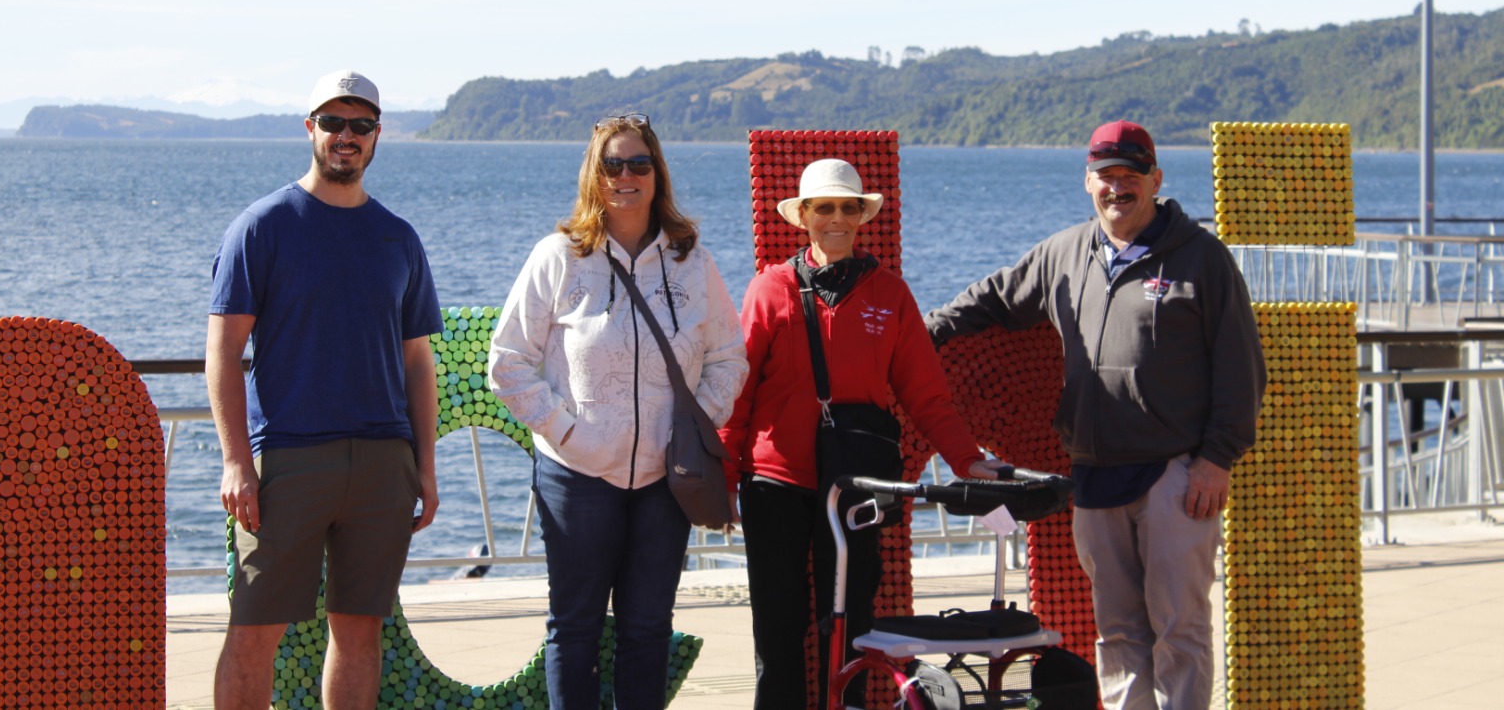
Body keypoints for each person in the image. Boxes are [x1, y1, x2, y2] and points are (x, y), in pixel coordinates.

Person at [924, 120, 1267, 710]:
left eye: (1130, 176)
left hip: (1175, 475)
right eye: (1106, 177)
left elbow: (1242, 368)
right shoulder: (1064, 252)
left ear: (1155, 180)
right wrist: (916, 336)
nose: (1117, 188)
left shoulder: (1203, 258)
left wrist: (1216, 460)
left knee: (1180, 629)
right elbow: (994, 298)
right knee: (1116, 631)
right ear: (1088, 182)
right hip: (1093, 476)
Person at [721, 158, 1005, 710]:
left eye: (847, 207)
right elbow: (739, 391)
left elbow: (928, 396)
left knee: (850, 624)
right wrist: (726, 472)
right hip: (776, 482)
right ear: (802, 216)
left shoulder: (890, 294)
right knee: (778, 629)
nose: (836, 219)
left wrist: (969, 461)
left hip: (856, 486)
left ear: (861, 217)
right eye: (823, 207)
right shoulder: (769, 289)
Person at [487, 113, 748, 710]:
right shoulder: (559, 257)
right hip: (576, 478)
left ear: (657, 174)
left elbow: (729, 359)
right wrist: (569, 432)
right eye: (612, 164)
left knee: (647, 631)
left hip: (666, 481)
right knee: (574, 629)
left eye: (639, 164)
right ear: (594, 175)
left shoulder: (692, 261)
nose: (625, 176)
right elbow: (507, 363)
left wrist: (689, 427)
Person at [206, 69, 443, 710]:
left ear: (376, 136)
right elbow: (223, 354)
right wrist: (235, 461)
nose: (346, 135)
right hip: (286, 458)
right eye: (333, 122)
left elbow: (418, 363)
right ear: (309, 128)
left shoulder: (398, 237)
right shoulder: (263, 227)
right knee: (255, 630)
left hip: (381, 462)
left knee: (362, 633)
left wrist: (423, 465)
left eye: (360, 125)